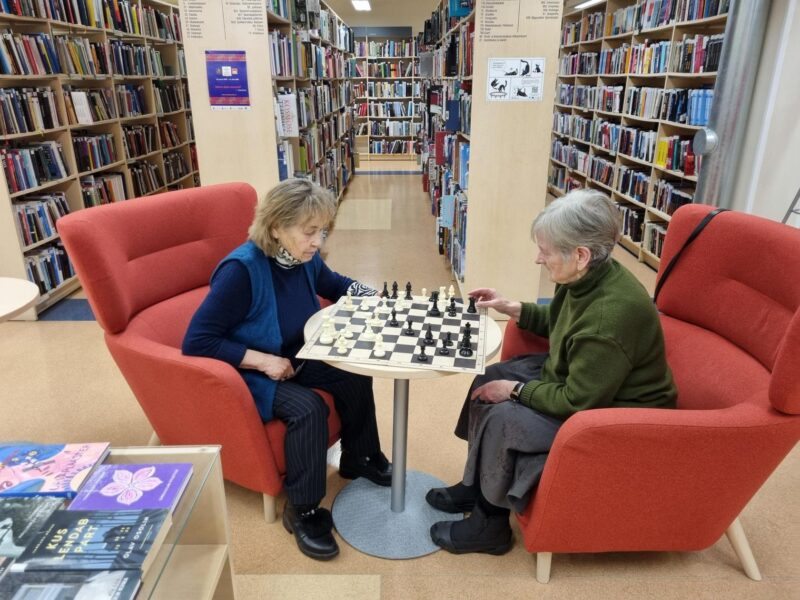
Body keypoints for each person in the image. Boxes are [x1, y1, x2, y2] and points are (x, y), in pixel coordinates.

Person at [426, 189, 677, 555]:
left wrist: (514, 391)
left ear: (581, 255)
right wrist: (512, 307)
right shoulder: (588, 277)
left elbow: (577, 400)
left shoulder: (609, 316)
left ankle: (489, 525)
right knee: (487, 377)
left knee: (502, 416)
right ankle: (475, 484)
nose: (537, 259)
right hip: (582, 382)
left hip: (615, 415)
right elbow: (563, 321)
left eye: (545, 251)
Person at [182, 179, 391, 561]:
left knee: (354, 370)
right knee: (308, 409)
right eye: (310, 232)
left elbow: (335, 284)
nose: (317, 241)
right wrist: (263, 361)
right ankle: (303, 510)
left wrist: (375, 297)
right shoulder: (242, 271)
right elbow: (197, 340)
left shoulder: (301, 258)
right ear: (276, 226)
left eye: (322, 231)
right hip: (252, 371)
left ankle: (360, 457)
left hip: (297, 354)